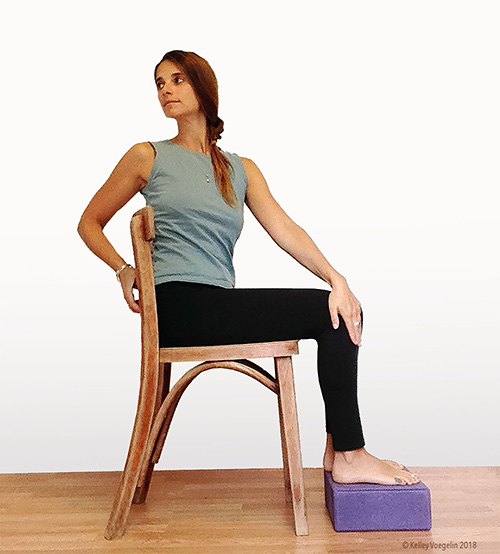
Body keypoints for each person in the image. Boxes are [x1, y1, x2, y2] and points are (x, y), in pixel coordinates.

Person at [77, 49, 420, 486]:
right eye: (159, 83)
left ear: (203, 87)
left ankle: (341, 451)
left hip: (217, 304)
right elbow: (89, 222)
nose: (165, 89)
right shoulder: (147, 156)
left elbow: (284, 228)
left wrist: (338, 279)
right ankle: (351, 454)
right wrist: (123, 269)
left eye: (177, 79)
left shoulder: (240, 169)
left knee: (340, 308)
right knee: (328, 316)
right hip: (177, 305)